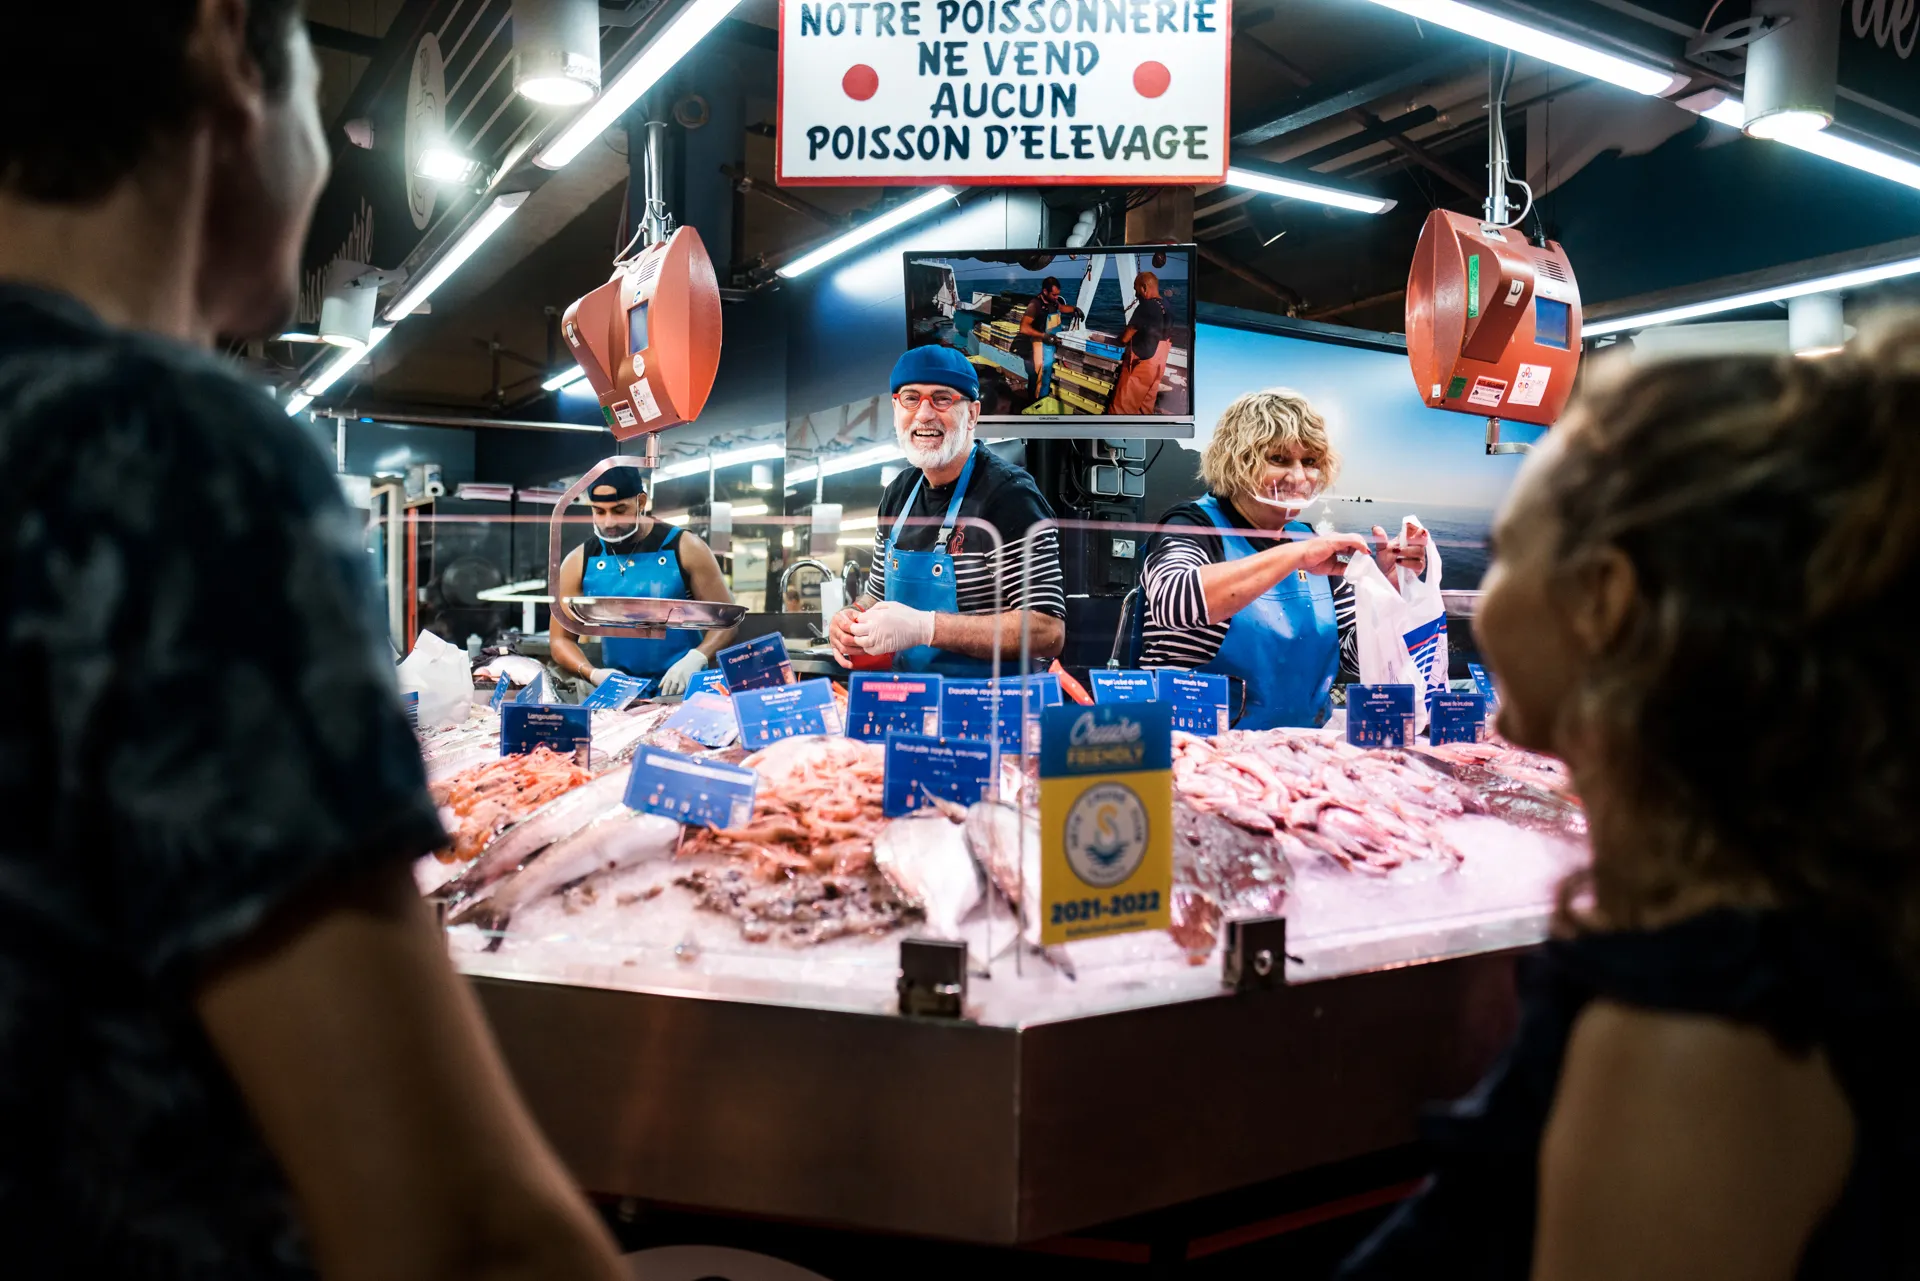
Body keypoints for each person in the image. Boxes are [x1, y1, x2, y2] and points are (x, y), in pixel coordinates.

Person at [0, 6, 626, 1280]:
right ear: (230, 49)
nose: (325, 159)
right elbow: (452, 1228)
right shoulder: (165, 454)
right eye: (315, 103)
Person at [1340, 321, 1920, 1280]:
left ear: (1602, 600)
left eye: (1505, 549)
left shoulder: (1703, 1037)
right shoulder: (1790, 917)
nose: (1479, 595)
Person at [1138, 389, 1425, 729]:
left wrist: (1388, 594)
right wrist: (1295, 556)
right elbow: (1174, 603)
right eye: (1278, 459)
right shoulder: (1193, 526)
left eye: (1310, 462)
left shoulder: (1311, 541)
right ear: (1236, 461)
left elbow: (1356, 658)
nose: (1299, 477)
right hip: (1199, 748)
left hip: (1295, 750)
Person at [828, 345, 1066, 674]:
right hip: (911, 701)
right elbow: (876, 597)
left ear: (972, 414)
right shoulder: (898, 494)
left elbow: (1047, 631)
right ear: (896, 409)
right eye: (911, 398)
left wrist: (927, 628)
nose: (924, 414)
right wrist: (849, 618)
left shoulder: (1009, 496)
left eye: (942, 398)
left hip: (993, 710)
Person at [549, 466, 736, 696]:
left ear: (641, 502)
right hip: (622, 694)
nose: (608, 523)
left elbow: (728, 622)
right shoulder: (580, 560)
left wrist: (696, 658)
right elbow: (560, 640)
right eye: (599, 511)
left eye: (619, 510)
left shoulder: (685, 547)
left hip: (684, 689)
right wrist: (593, 673)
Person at [1110, 271, 1171, 415]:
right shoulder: (1167, 305)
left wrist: (1117, 341)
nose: (1136, 295)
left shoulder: (1146, 306)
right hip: (1159, 362)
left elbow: (1125, 337)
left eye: (1136, 290)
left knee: (1121, 408)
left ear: (1144, 288)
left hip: (1142, 362)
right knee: (1145, 407)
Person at [1015, 275, 1081, 403]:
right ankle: (1037, 402)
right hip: (1040, 343)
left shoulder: (1053, 301)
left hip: (1051, 343)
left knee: (1047, 374)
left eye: (1058, 295)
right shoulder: (1035, 304)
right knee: (1041, 375)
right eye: (1054, 295)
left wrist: (1074, 309)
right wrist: (1044, 336)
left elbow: (1061, 308)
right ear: (1045, 291)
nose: (1057, 298)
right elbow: (1023, 328)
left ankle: (1041, 397)